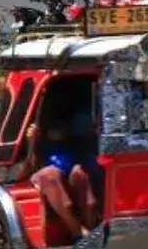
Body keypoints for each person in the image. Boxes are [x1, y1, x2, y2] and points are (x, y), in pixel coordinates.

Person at [28, 93, 102, 239]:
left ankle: (92, 229)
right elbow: (28, 165)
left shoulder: (74, 141)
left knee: (79, 173)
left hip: (68, 172)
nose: (58, 131)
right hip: (44, 176)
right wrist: (31, 141)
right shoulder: (38, 139)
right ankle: (76, 230)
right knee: (50, 174)